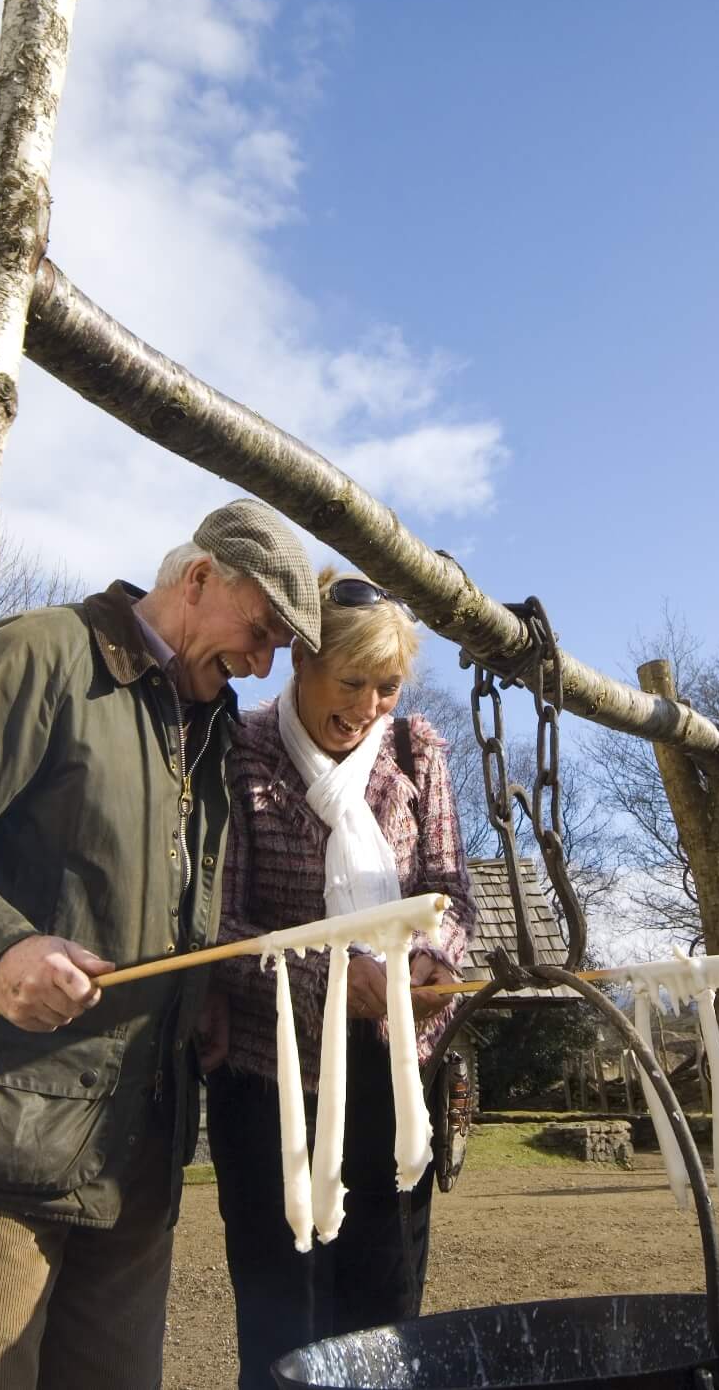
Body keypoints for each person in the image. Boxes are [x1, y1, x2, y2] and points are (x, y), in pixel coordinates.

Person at [0, 499, 322, 1390]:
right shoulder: (42, 655)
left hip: (138, 1158)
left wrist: (208, 1000)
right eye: (259, 631)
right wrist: (2, 952)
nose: (262, 667)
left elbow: (164, 900)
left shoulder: (215, 728)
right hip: (7, 1141)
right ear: (196, 580)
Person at [200, 567, 476, 1390]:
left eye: (385, 687)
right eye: (350, 682)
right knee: (284, 1316)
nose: (366, 707)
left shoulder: (415, 752)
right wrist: (328, 977)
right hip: (272, 1083)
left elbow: (452, 889)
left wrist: (434, 955)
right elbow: (216, 924)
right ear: (302, 665)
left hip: (393, 1074)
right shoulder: (239, 752)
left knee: (387, 1309)